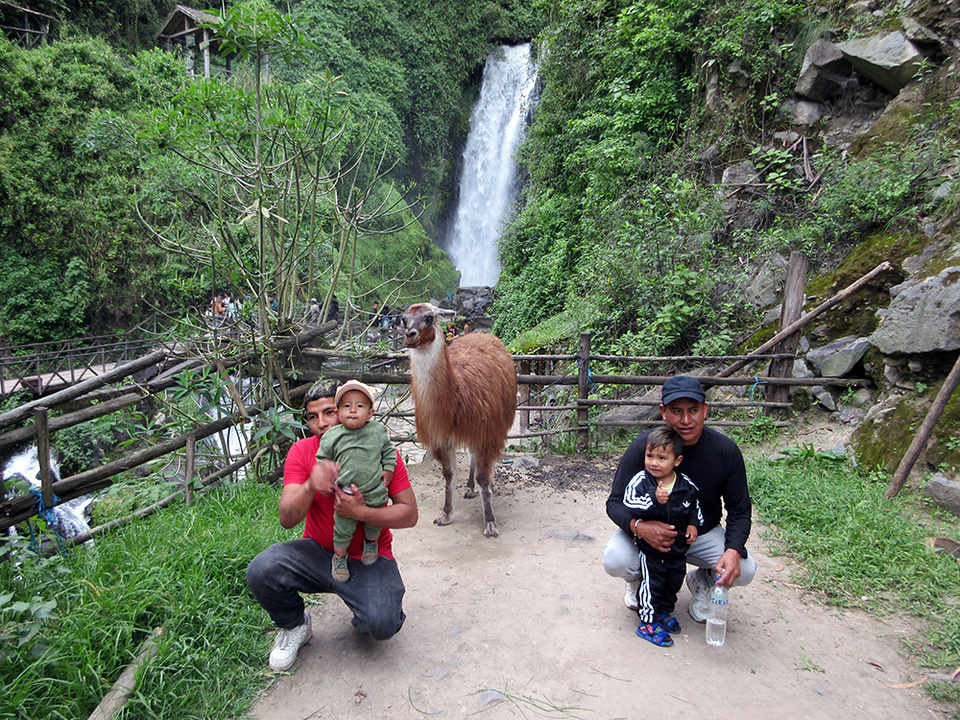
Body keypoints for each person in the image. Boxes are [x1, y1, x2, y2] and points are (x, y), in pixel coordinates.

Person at [246, 379, 418, 672]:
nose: (321, 424)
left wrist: (361, 511)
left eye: (329, 412)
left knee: (382, 624)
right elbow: (287, 519)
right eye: (313, 417)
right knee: (262, 569)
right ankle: (296, 625)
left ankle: (362, 603)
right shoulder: (302, 452)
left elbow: (409, 514)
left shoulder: (379, 449)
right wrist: (312, 482)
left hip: (369, 556)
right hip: (319, 554)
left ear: (347, 409)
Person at [603, 375, 757, 624]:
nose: (686, 420)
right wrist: (639, 527)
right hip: (648, 536)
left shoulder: (725, 451)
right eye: (677, 411)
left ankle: (703, 580)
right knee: (615, 559)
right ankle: (640, 581)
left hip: (699, 533)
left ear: (705, 410)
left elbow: (739, 510)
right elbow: (615, 503)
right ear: (663, 412)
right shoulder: (645, 449)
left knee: (745, 570)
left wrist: (732, 550)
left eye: (693, 410)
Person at [616, 426, 703, 647]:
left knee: (673, 581)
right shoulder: (641, 481)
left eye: (662, 458)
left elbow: (694, 507)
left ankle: (663, 613)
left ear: (677, 460)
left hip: (677, 549)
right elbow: (629, 504)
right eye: (649, 456)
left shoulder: (685, 485)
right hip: (650, 550)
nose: (653, 462)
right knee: (651, 584)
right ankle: (646, 622)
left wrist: (693, 525)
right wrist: (653, 500)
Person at [317, 380, 396, 583]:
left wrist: (388, 468)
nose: (352, 410)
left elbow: (388, 451)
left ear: (370, 413)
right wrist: (326, 478)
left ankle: (371, 543)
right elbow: (323, 459)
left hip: (375, 489)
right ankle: (340, 556)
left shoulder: (377, 431)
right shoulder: (332, 436)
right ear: (337, 412)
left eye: (359, 406)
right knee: (343, 527)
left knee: (374, 522)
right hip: (346, 492)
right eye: (346, 406)